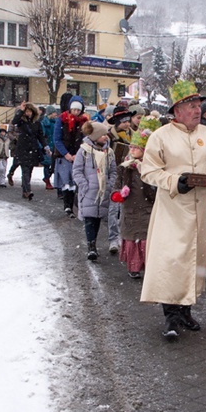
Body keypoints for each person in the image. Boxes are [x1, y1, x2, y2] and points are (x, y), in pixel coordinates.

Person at [139, 80, 206, 340]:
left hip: (199, 208)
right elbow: (149, 171)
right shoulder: (160, 136)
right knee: (172, 259)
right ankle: (171, 316)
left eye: (199, 106)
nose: (198, 111)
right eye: (191, 106)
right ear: (177, 111)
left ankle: (186, 310)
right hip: (173, 209)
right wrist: (176, 181)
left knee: (195, 258)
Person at [111, 116, 160, 279]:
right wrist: (117, 193)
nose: (131, 150)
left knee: (146, 235)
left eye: (136, 147)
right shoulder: (125, 166)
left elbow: (155, 185)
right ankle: (134, 267)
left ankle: (148, 265)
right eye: (131, 147)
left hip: (147, 206)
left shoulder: (150, 166)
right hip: (130, 207)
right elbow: (117, 184)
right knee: (132, 236)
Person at [73, 121, 117, 261]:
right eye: (103, 134)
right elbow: (77, 170)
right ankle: (91, 246)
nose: (106, 137)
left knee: (98, 217)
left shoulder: (109, 152)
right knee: (89, 218)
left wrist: (109, 185)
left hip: (103, 191)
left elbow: (113, 171)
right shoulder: (84, 151)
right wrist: (84, 185)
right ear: (95, 136)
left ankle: (93, 243)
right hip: (89, 191)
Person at [53, 93, 88, 216]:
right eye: (74, 109)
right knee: (66, 181)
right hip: (64, 155)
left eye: (78, 110)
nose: (76, 112)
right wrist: (66, 154)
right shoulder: (61, 120)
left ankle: (73, 205)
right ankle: (67, 206)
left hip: (78, 154)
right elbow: (57, 139)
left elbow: (85, 138)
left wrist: (78, 154)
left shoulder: (84, 122)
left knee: (75, 180)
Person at [105, 102, 134, 254]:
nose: (127, 124)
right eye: (123, 122)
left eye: (128, 121)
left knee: (126, 210)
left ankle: (125, 238)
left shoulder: (134, 136)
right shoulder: (109, 137)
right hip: (115, 175)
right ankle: (113, 239)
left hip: (129, 176)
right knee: (113, 208)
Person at [12, 102, 47, 200]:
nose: (28, 113)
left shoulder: (37, 123)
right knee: (25, 170)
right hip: (23, 148)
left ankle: (25, 190)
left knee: (29, 170)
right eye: (26, 111)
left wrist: (45, 146)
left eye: (29, 111)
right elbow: (14, 121)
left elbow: (40, 136)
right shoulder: (21, 122)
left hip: (33, 149)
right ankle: (28, 190)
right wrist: (21, 110)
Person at [40, 106, 57, 190]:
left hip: (54, 146)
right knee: (47, 164)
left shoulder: (56, 122)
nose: (56, 114)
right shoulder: (44, 123)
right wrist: (44, 146)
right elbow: (42, 136)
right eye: (54, 112)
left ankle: (47, 177)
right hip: (47, 146)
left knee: (53, 164)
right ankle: (47, 180)